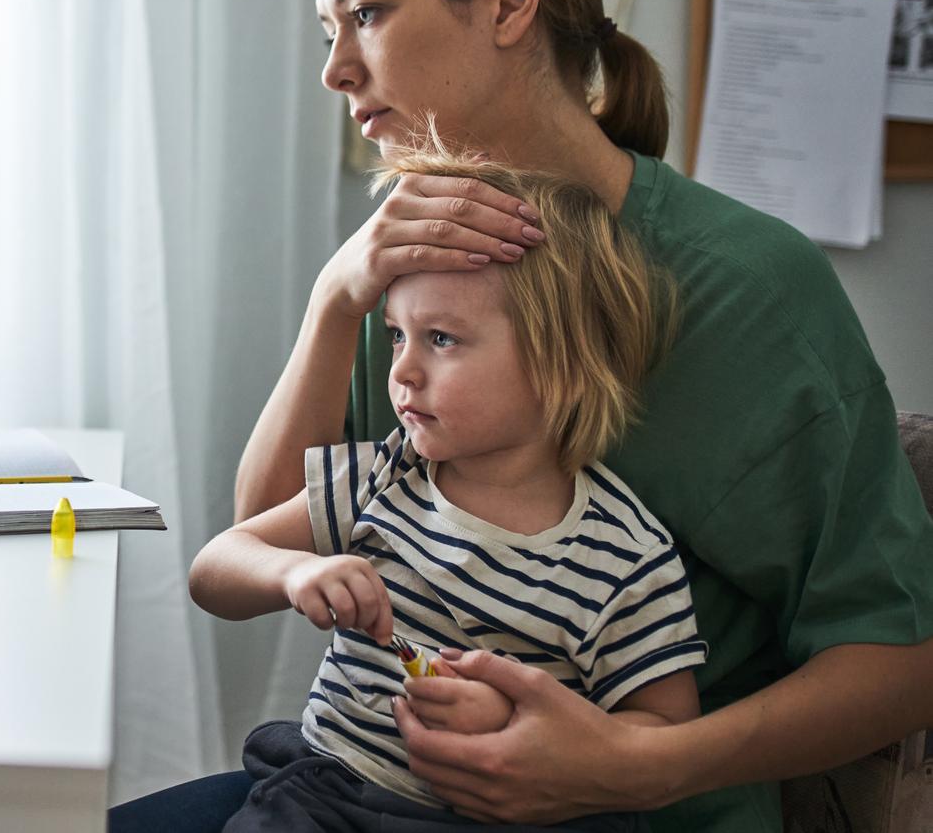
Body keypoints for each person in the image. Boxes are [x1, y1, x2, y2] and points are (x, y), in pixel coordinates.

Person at [112, 0, 933, 833]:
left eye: (365, 13)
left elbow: (899, 658)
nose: (333, 69)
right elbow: (260, 532)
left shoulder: (752, 290)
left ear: (506, 1)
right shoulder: (409, 264)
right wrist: (335, 297)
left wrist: (643, 765)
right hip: (361, 790)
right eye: (327, 29)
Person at [188, 143, 704, 832]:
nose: (400, 371)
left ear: (562, 363)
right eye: (397, 335)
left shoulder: (627, 558)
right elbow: (212, 569)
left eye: (441, 339)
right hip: (325, 797)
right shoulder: (384, 474)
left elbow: (665, 738)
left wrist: (525, 720)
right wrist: (293, 572)